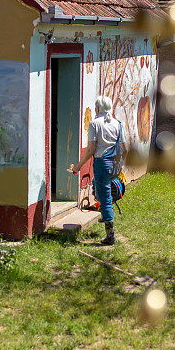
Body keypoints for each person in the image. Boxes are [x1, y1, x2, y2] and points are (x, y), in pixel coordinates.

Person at [69, 96, 121, 246]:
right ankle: (106, 213)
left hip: (102, 163)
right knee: (101, 190)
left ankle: (110, 236)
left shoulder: (94, 124)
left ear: (97, 108)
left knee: (104, 196)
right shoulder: (118, 123)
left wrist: (79, 165)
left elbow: (91, 149)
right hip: (115, 162)